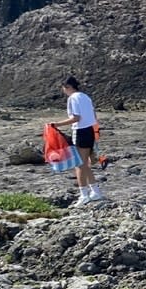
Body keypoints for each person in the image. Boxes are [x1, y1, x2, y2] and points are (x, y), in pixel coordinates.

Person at [51, 76, 104, 205]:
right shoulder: (85, 97)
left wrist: (56, 124)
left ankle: (84, 195)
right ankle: (95, 192)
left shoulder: (73, 98)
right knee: (85, 163)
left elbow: (76, 118)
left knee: (79, 164)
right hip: (90, 130)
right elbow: (93, 115)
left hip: (81, 131)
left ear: (67, 87)